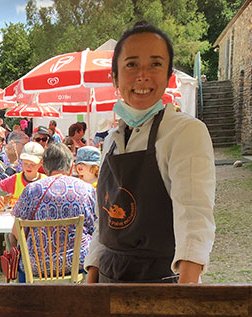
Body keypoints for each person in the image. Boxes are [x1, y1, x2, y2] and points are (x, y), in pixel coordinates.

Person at [84, 21, 215, 284]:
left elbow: (194, 218)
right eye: (131, 64)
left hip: (161, 283)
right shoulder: (111, 139)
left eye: (155, 64)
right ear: (115, 78)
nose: (143, 75)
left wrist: (184, 297)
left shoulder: (185, 132)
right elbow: (104, 223)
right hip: (109, 278)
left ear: (168, 75)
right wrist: (91, 279)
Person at [11, 143, 96, 282]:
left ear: (44, 166)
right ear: (70, 166)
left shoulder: (32, 190)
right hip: (76, 266)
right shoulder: (86, 190)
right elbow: (94, 229)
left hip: (36, 267)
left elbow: (16, 232)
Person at [0, 142, 46, 210]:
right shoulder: (16, 179)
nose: (28, 167)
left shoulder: (45, 181)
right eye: (25, 163)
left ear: (41, 163)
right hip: (19, 220)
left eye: (33, 164)